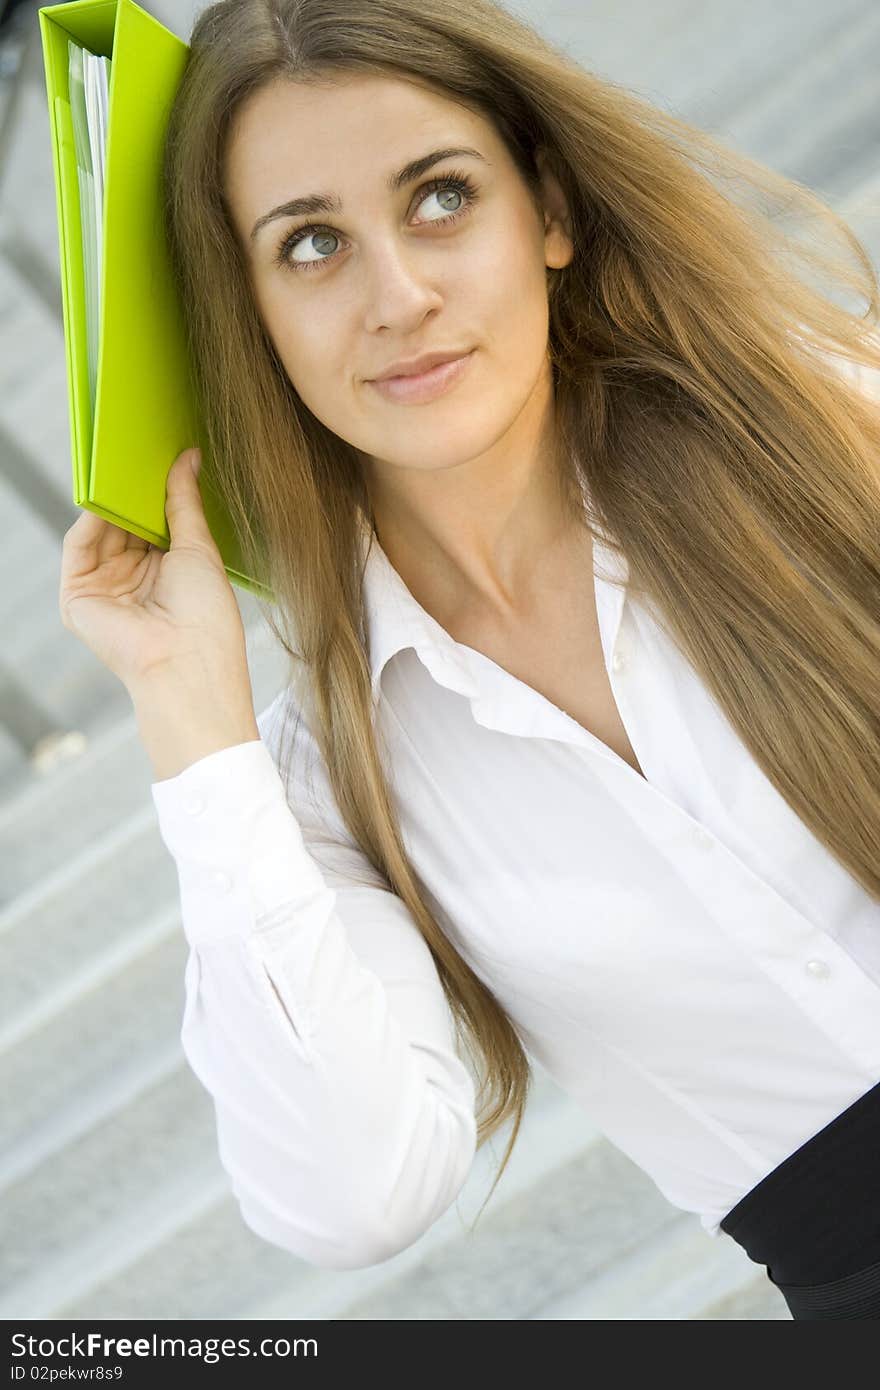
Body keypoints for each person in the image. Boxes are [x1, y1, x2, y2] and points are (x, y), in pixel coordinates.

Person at [58, 0, 880, 1319]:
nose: (400, 297)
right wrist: (183, 705)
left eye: (440, 197)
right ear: (247, 318)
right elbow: (352, 1198)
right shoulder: (331, 782)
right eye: (310, 243)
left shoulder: (822, 425)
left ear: (545, 212)